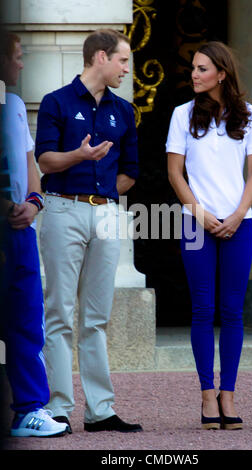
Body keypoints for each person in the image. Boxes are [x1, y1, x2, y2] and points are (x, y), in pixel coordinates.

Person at [35, 29, 141, 433]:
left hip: (108, 214)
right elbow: (44, 161)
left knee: (96, 317)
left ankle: (100, 411)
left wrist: (102, 196)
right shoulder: (55, 102)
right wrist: (78, 156)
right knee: (59, 311)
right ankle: (59, 407)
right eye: (123, 60)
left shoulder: (125, 111)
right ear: (101, 57)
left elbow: (130, 172)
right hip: (63, 210)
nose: (126, 69)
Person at [166, 41, 252, 430]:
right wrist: (202, 215)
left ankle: (229, 395)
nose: (194, 74)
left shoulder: (251, 116)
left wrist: (238, 214)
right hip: (196, 224)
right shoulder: (181, 115)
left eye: (202, 68)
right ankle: (207, 395)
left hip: (240, 223)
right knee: (203, 310)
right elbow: (175, 173)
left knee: (232, 312)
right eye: (193, 67)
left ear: (221, 73)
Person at [0, 31, 68, 437]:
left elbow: (32, 178)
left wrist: (33, 205)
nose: (21, 64)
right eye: (17, 56)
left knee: (26, 323)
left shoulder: (14, 108)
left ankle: (28, 411)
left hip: (18, 234)